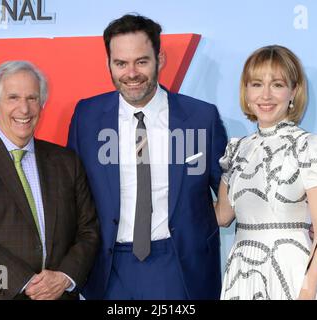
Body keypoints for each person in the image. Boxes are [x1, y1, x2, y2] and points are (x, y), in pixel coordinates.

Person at [67, 14, 227, 300]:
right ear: (108, 64)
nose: (131, 73)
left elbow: (231, 188)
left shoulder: (201, 118)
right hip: (107, 269)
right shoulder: (86, 116)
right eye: (121, 63)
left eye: (141, 61)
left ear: (160, 59)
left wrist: (292, 215)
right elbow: (70, 196)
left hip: (177, 266)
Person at [0, 61, 100, 300]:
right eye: (13, 98)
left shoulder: (67, 162)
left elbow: (89, 230)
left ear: (42, 104)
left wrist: (65, 277)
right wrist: (23, 282)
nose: (24, 109)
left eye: (32, 98)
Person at [215, 45, 317, 300]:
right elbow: (222, 215)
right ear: (246, 91)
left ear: (294, 91)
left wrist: (307, 292)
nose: (266, 95)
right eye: (256, 84)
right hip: (242, 273)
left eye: (277, 84)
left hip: (292, 272)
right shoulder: (238, 150)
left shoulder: (311, 148)